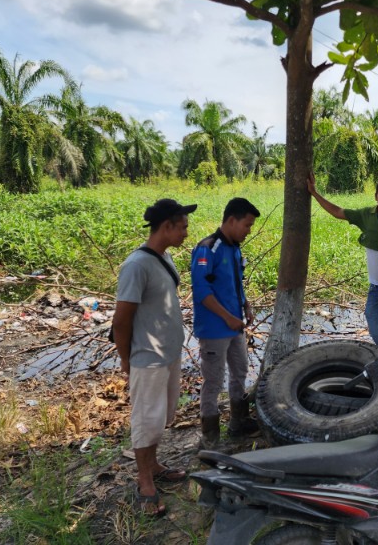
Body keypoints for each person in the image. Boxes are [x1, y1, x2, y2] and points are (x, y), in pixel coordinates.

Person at [112, 198, 197, 517]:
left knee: (161, 417)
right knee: (146, 421)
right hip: (147, 357)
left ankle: (156, 464)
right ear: (167, 227)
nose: (187, 232)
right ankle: (145, 481)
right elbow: (121, 320)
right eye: (183, 227)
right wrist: (126, 359)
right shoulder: (136, 265)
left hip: (168, 354)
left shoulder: (166, 257)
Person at [308, 174, 378, 348]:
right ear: (376, 195)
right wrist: (315, 193)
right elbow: (338, 212)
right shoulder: (366, 216)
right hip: (376, 288)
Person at [191, 197, 261, 449]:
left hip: (235, 327)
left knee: (240, 371)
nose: (249, 230)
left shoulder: (235, 248)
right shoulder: (208, 248)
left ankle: (238, 422)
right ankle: (210, 437)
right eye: (247, 225)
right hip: (214, 329)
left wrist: (246, 306)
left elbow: (236, 283)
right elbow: (201, 291)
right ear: (232, 220)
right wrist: (228, 317)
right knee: (213, 382)